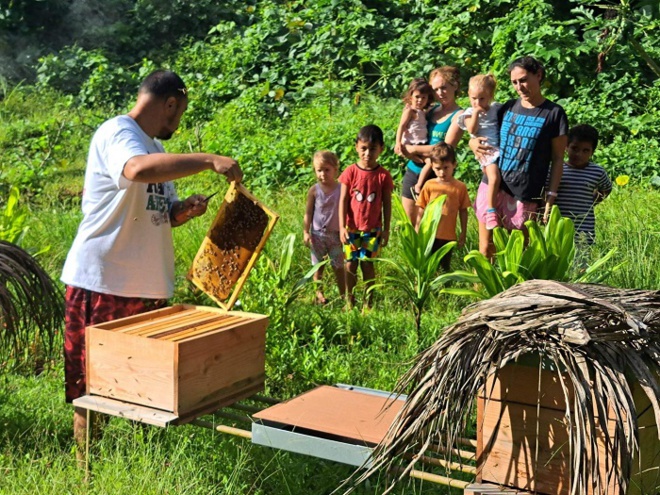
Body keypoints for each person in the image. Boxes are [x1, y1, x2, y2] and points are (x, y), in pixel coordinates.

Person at [60, 69, 243, 454]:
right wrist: (208, 159)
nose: (177, 123)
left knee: (144, 386)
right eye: (179, 113)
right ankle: (85, 470)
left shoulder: (157, 151)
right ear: (170, 103)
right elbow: (135, 171)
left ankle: (136, 462)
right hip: (104, 281)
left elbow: (155, 208)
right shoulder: (118, 133)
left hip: (146, 286)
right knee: (92, 387)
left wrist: (182, 210)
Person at [471, 56, 568, 257]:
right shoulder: (506, 107)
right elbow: (482, 130)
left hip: (526, 191)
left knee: (520, 254)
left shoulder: (554, 114)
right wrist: (472, 142)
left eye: (523, 80)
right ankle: (482, 287)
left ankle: (520, 290)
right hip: (493, 186)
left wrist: (550, 196)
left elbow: (558, 158)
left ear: (538, 75)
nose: (519, 87)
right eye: (514, 82)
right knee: (486, 249)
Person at [338, 125, 393, 309]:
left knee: (368, 265)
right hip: (351, 228)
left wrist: (386, 229)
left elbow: (387, 203)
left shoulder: (383, 176)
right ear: (356, 147)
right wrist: (341, 227)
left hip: (372, 230)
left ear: (381, 149)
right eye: (363, 148)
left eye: (372, 149)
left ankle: (368, 302)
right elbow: (343, 200)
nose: (367, 153)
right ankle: (349, 300)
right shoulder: (350, 172)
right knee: (350, 264)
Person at [415, 143, 470, 272]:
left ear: (454, 165)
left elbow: (463, 210)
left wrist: (463, 232)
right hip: (429, 235)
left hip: (448, 236)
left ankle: (444, 291)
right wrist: (418, 230)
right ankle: (427, 289)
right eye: (438, 168)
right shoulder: (429, 185)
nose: (442, 172)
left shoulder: (459, 187)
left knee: (445, 267)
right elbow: (421, 208)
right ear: (432, 167)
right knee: (427, 266)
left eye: (446, 167)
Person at [554, 124, 612, 244]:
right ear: (566, 147)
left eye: (586, 150)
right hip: (557, 229)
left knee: (580, 262)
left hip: (584, 230)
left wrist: (592, 202)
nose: (579, 154)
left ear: (592, 152)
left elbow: (606, 189)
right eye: (574, 148)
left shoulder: (597, 172)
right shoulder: (556, 170)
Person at [457, 74, 502, 230]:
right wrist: (476, 112)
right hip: (487, 151)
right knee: (494, 177)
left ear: (490, 96)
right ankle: (490, 210)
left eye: (482, 99)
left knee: (498, 177)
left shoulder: (496, 108)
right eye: (474, 98)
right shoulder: (469, 113)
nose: (477, 102)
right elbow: (471, 129)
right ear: (469, 96)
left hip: (500, 148)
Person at [303, 150, 346, 304]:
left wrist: (345, 229)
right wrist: (305, 232)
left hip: (336, 235)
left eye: (327, 170)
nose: (323, 174)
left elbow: (346, 210)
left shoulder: (341, 189)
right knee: (317, 266)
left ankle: (344, 294)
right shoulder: (314, 191)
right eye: (319, 170)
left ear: (336, 169)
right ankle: (318, 293)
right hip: (317, 235)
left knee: (339, 266)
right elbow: (308, 212)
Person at [394, 78, 434, 163]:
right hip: (411, 142)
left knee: (429, 161)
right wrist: (398, 142)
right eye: (417, 97)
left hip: (420, 143)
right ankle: (411, 157)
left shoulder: (422, 112)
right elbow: (401, 126)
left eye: (424, 98)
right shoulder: (410, 111)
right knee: (428, 161)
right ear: (410, 96)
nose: (420, 100)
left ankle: (416, 159)